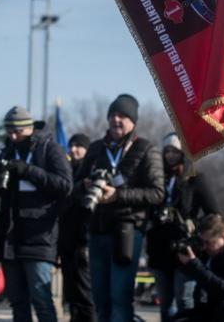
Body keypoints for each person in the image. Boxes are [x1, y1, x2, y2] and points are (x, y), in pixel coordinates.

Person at [73, 94, 165, 322]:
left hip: (127, 231)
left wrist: (118, 195)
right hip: (97, 230)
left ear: (133, 121)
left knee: (120, 297)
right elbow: (75, 186)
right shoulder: (95, 149)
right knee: (100, 298)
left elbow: (157, 193)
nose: (116, 120)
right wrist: (84, 185)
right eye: (112, 115)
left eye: (122, 116)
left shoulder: (146, 149)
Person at [0, 106, 73, 322]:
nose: (13, 136)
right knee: (18, 303)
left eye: (18, 132)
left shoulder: (49, 149)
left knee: (41, 300)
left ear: (29, 128)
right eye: (9, 132)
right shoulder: (7, 151)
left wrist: (28, 171)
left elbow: (65, 186)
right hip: (10, 238)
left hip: (38, 237)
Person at [146, 132, 219, 322]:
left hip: (185, 248)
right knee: (165, 303)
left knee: (184, 299)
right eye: (167, 151)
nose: (170, 155)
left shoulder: (196, 179)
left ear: (184, 153)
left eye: (175, 151)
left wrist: (196, 230)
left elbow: (213, 213)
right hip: (159, 247)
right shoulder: (157, 179)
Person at [58, 133, 96, 322]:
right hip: (66, 240)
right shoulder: (65, 171)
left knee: (85, 292)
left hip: (84, 241)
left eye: (78, 146)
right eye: (71, 146)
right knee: (71, 293)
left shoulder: (92, 170)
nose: (73, 150)